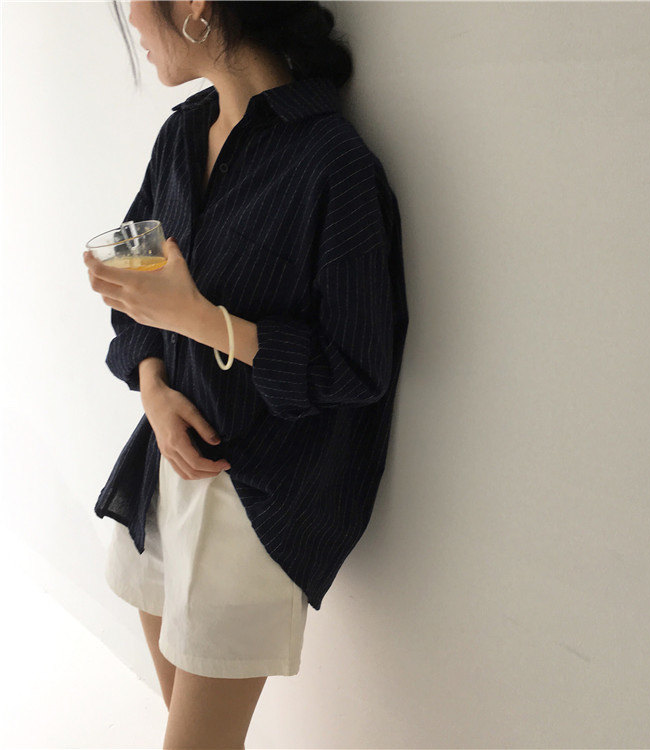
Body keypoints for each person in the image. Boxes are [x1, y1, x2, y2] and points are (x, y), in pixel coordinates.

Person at [83, 1, 409, 747]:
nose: (134, 21)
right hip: (163, 469)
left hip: (255, 495)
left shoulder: (333, 165)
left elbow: (357, 366)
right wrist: (153, 388)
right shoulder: (181, 135)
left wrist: (202, 319)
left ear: (196, 5)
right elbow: (138, 280)